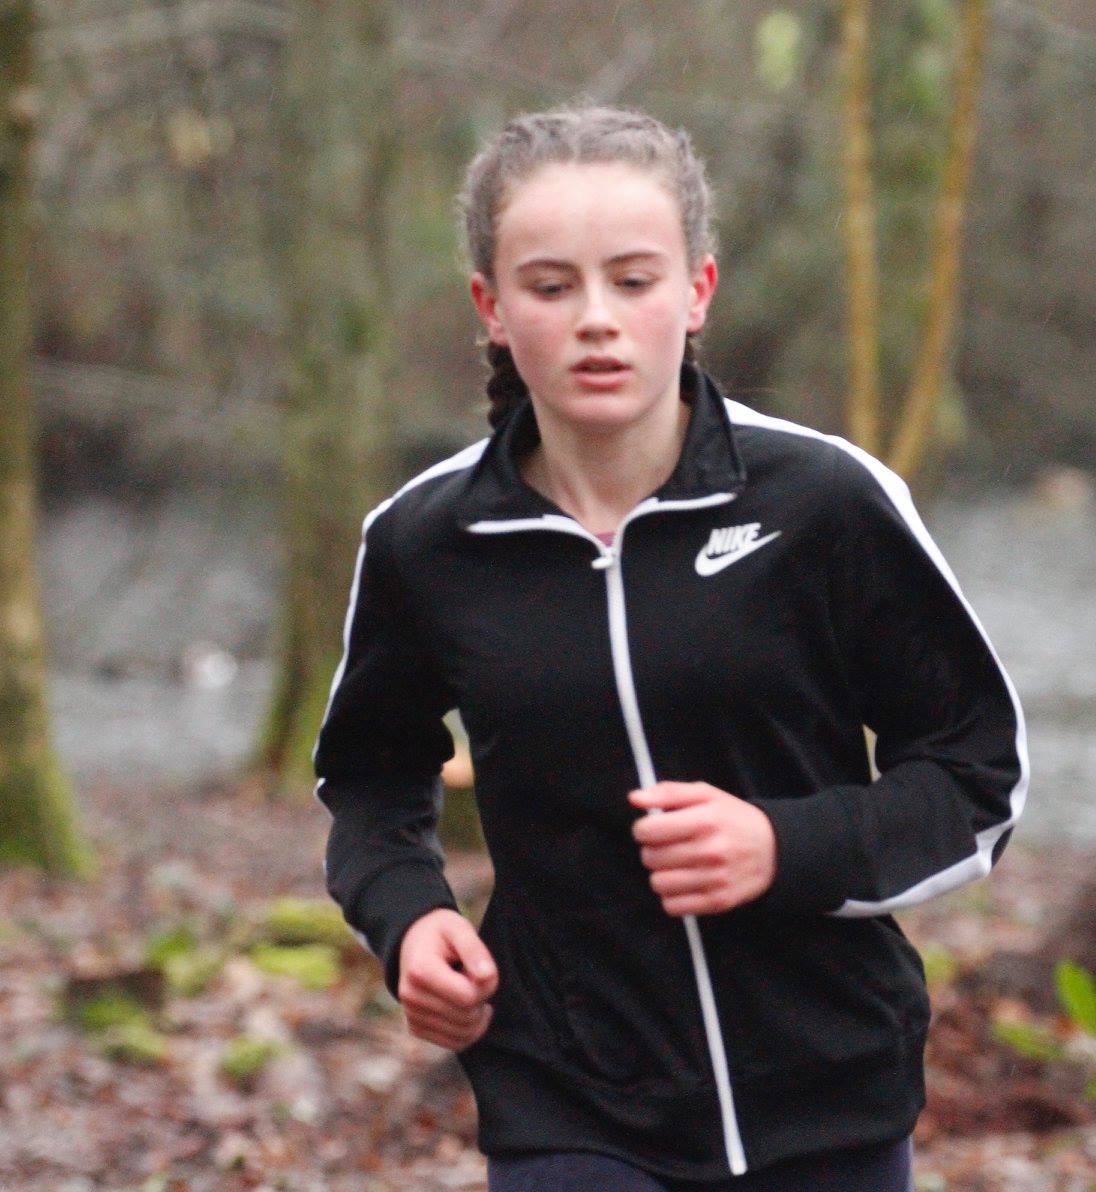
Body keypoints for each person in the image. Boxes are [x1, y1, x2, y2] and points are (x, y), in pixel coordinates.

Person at [313, 106, 1028, 1191]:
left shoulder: (824, 500)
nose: (596, 319)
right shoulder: (426, 541)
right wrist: (410, 918)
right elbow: (369, 777)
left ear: (696, 292)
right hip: (568, 1093)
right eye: (551, 286)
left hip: (826, 1092)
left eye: (633, 280)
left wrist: (783, 845)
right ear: (492, 308)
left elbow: (977, 774)